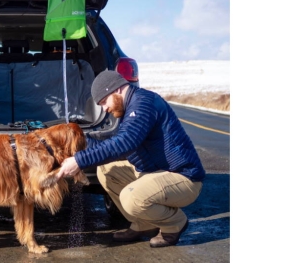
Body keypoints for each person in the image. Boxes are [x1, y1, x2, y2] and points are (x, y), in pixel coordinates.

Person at [56, 70, 206, 248]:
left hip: (183, 177)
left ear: (117, 90)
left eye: (104, 101)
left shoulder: (144, 103)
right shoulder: (129, 107)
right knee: (105, 169)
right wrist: (78, 141)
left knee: (131, 198)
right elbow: (114, 146)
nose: (105, 109)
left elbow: (125, 143)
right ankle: (144, 224)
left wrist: (79, 161)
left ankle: (175, 222)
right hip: (155, 172)